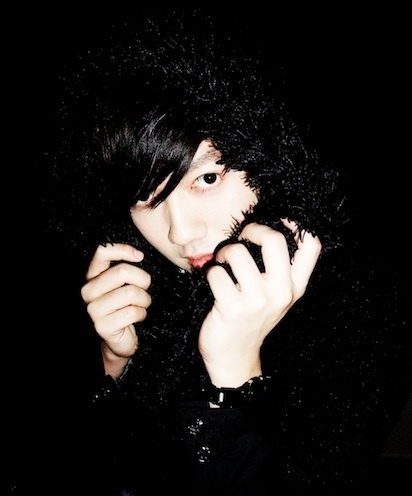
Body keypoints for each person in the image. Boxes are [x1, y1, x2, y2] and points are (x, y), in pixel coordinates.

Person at [11, 9, 411, 496]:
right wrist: (114, 365)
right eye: (143, 196)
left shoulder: (364, 308)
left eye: (206, 178)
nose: (181, 233)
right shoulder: (129, 284)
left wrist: (235, 378)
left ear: (270, 157)